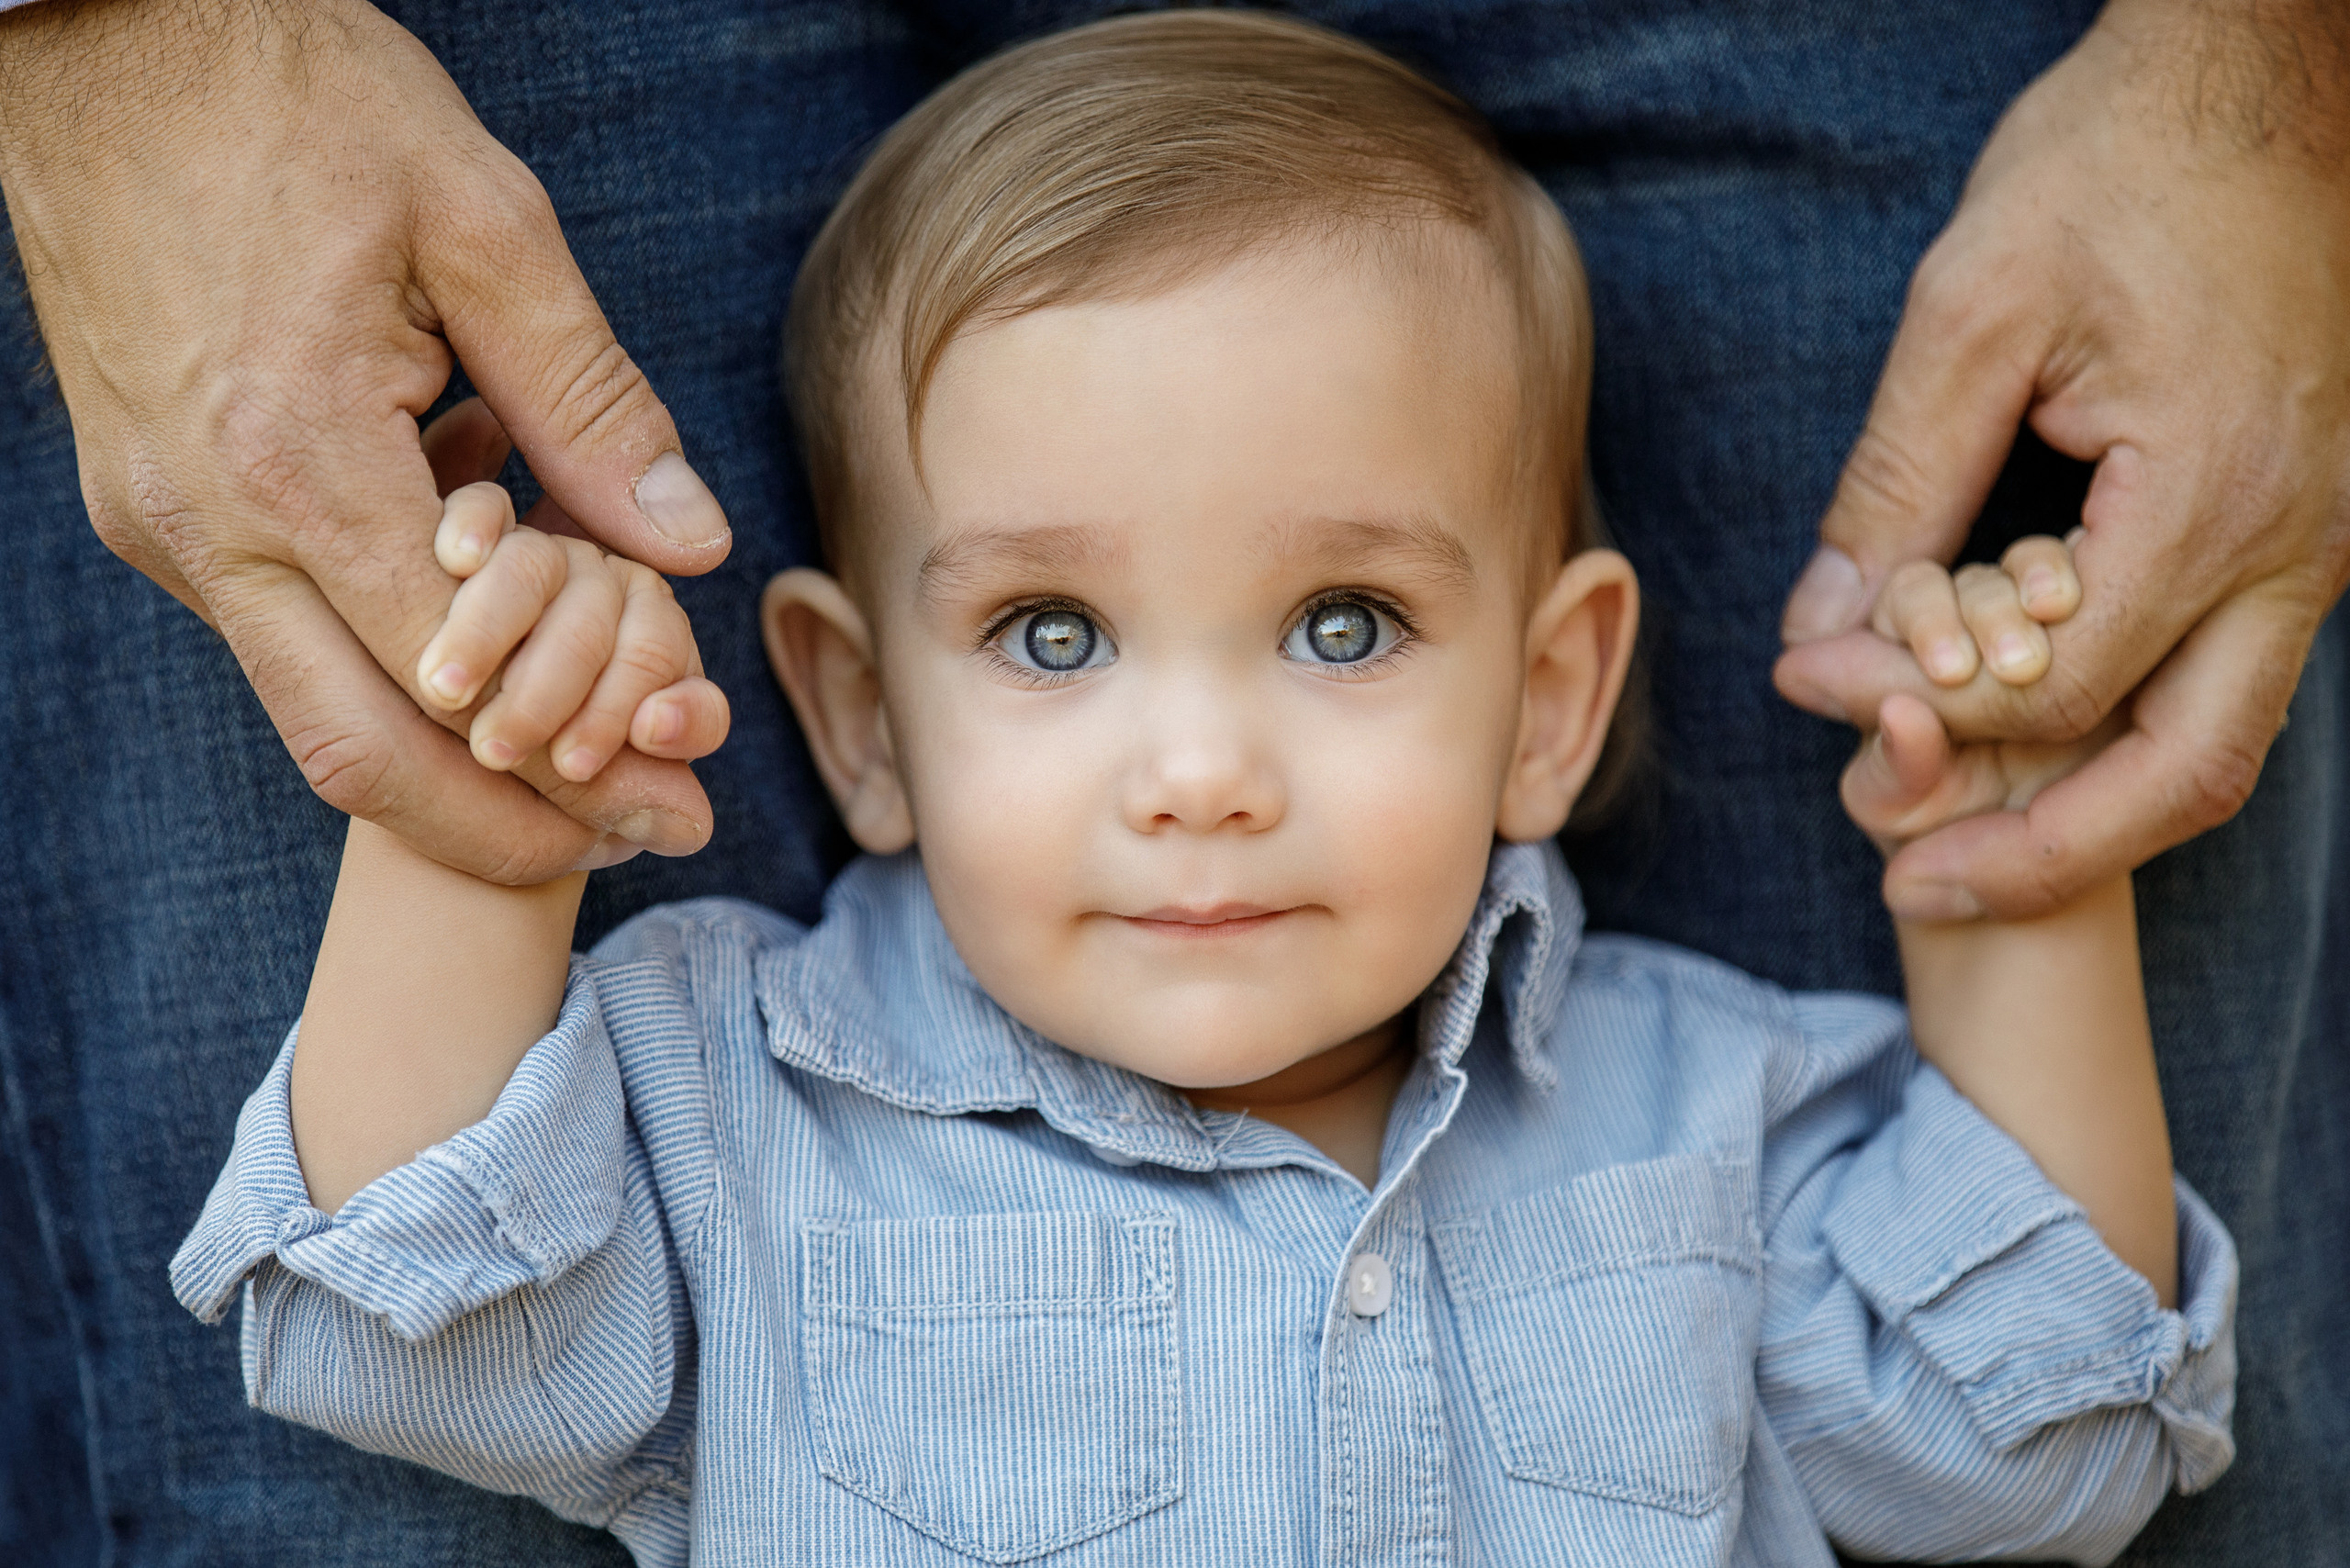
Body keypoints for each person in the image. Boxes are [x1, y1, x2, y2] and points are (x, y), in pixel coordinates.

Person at [0, 0, 2339, 1563]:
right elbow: (404, 1317)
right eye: (1048, 634)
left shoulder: (1701, 1101)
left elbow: (2032, 1438)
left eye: (1344, 626)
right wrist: (473, 816)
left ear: (1549, 695)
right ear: (854, 719)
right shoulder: (724, 1087)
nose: (1203, 769)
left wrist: (2002, 848)